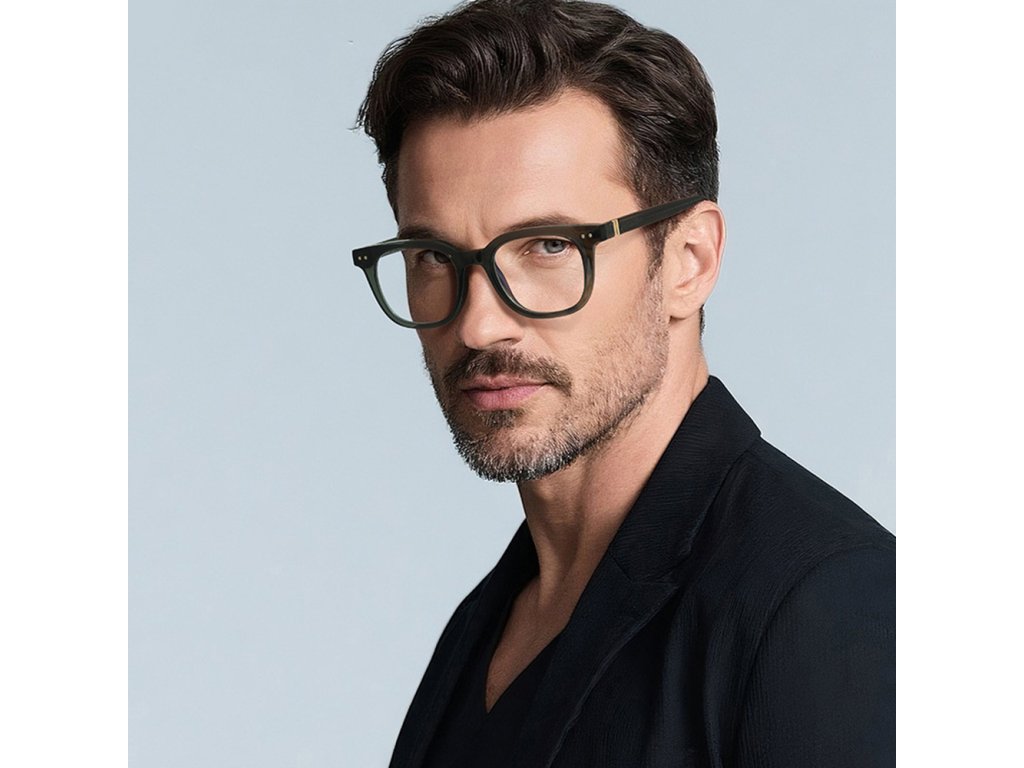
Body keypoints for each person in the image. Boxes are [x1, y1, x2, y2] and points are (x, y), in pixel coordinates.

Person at [351, 1, 895, 765]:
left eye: (548, 245)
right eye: (435, 257)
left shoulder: (828, 604)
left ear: (689, 262)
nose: (478, 325)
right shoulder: (488, 625)